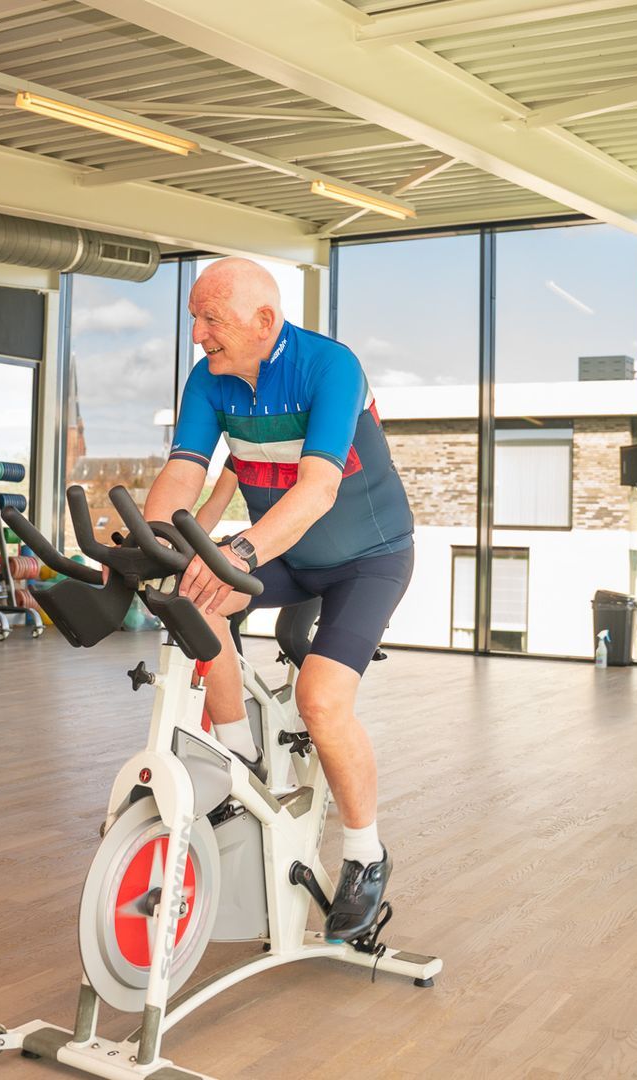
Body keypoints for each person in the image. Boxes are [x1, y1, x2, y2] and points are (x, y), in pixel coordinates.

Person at [142, 257, 415, 944]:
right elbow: (183, 472)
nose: (200, 335)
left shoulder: (331, 367)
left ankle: (364, 854)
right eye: (195, 320)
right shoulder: (209, 381)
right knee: (196, 604)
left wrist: (238, 554)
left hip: (367, 560)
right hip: (288, 553)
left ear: (265, 321)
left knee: (323, 700)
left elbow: (318, 489)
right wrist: (151, 544)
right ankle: (242, 767)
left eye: (213, 321)